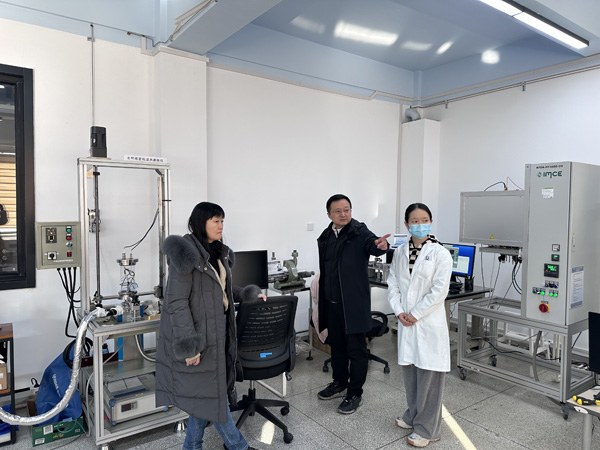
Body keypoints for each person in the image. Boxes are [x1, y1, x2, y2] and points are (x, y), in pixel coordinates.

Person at [155, 202, 263, 450]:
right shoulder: (186, 256)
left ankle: (191, 446)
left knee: (205, 393)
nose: (221, 226)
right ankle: (239, 447)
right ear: (200, 222)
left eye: (222, 221)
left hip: (221, 328)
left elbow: (222, 291)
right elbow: (176, 302)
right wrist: (190, 346)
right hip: (200, 334)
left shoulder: (217, 253)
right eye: (215, 221)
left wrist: (247, 294)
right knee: (214, 396)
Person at [386, 203, 453, 448]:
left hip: (427, 322)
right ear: (406, 224)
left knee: (429, 377)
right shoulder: (401, 252)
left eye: (424, 220)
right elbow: (393, 283)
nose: (419, 224)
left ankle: (428, 429)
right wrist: (399, 311)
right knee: (411, 372)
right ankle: (413, 415)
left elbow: (439, 291)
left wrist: (415, 314)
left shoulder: (440, 253)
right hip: (407, 321)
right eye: (414, 221)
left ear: (431, 222)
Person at [316, 194, 390, 414]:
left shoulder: (359, 232)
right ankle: (339, 382)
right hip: (331, 303)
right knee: (337, 347)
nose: (343, 214)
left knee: (356, 351)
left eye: (347, 209)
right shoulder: (326, 236)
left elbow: (374, 245)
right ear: (329, 214)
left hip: (353, 305)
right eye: (338, 211)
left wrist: (382, 246)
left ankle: (355, 392)